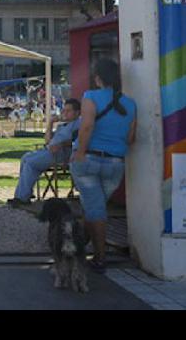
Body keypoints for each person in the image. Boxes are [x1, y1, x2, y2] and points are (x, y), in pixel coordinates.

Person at [71, 58, 136, 273]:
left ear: (97, 78)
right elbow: (130, 138)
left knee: (95, 209)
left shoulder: (91, 97)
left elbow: (87, 127)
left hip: (89, 159)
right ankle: (80, 243)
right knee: (94, 206)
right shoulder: (130, 104)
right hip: (115, 164)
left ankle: (99, 257)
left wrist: (79, 153)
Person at [7, 98, 82, 207]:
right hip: (49, 151)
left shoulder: (78, 124)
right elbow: (47, 140)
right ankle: (25, 194)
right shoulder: (62, 125)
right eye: (64, 110)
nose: (64, 113)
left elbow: (77, 140)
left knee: (30, 163)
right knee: (25, 157)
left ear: (77, 112)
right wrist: (51, 123)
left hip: (61, 154)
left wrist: (61, 144)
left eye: (68, 111)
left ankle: (22, 198)